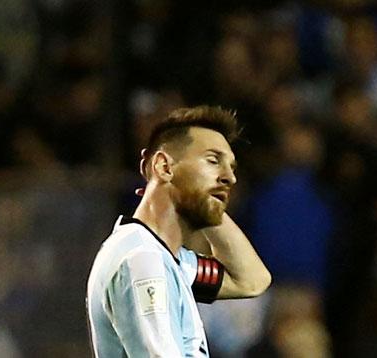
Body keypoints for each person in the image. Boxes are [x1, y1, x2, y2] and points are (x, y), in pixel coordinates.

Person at [86, 106, 271, 357]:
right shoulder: (142, 258)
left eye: (231, 167)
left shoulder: (174, 262)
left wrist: (208, 202)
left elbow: (251, 281)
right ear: (164, 166)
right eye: (213, 160)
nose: (230, 177)